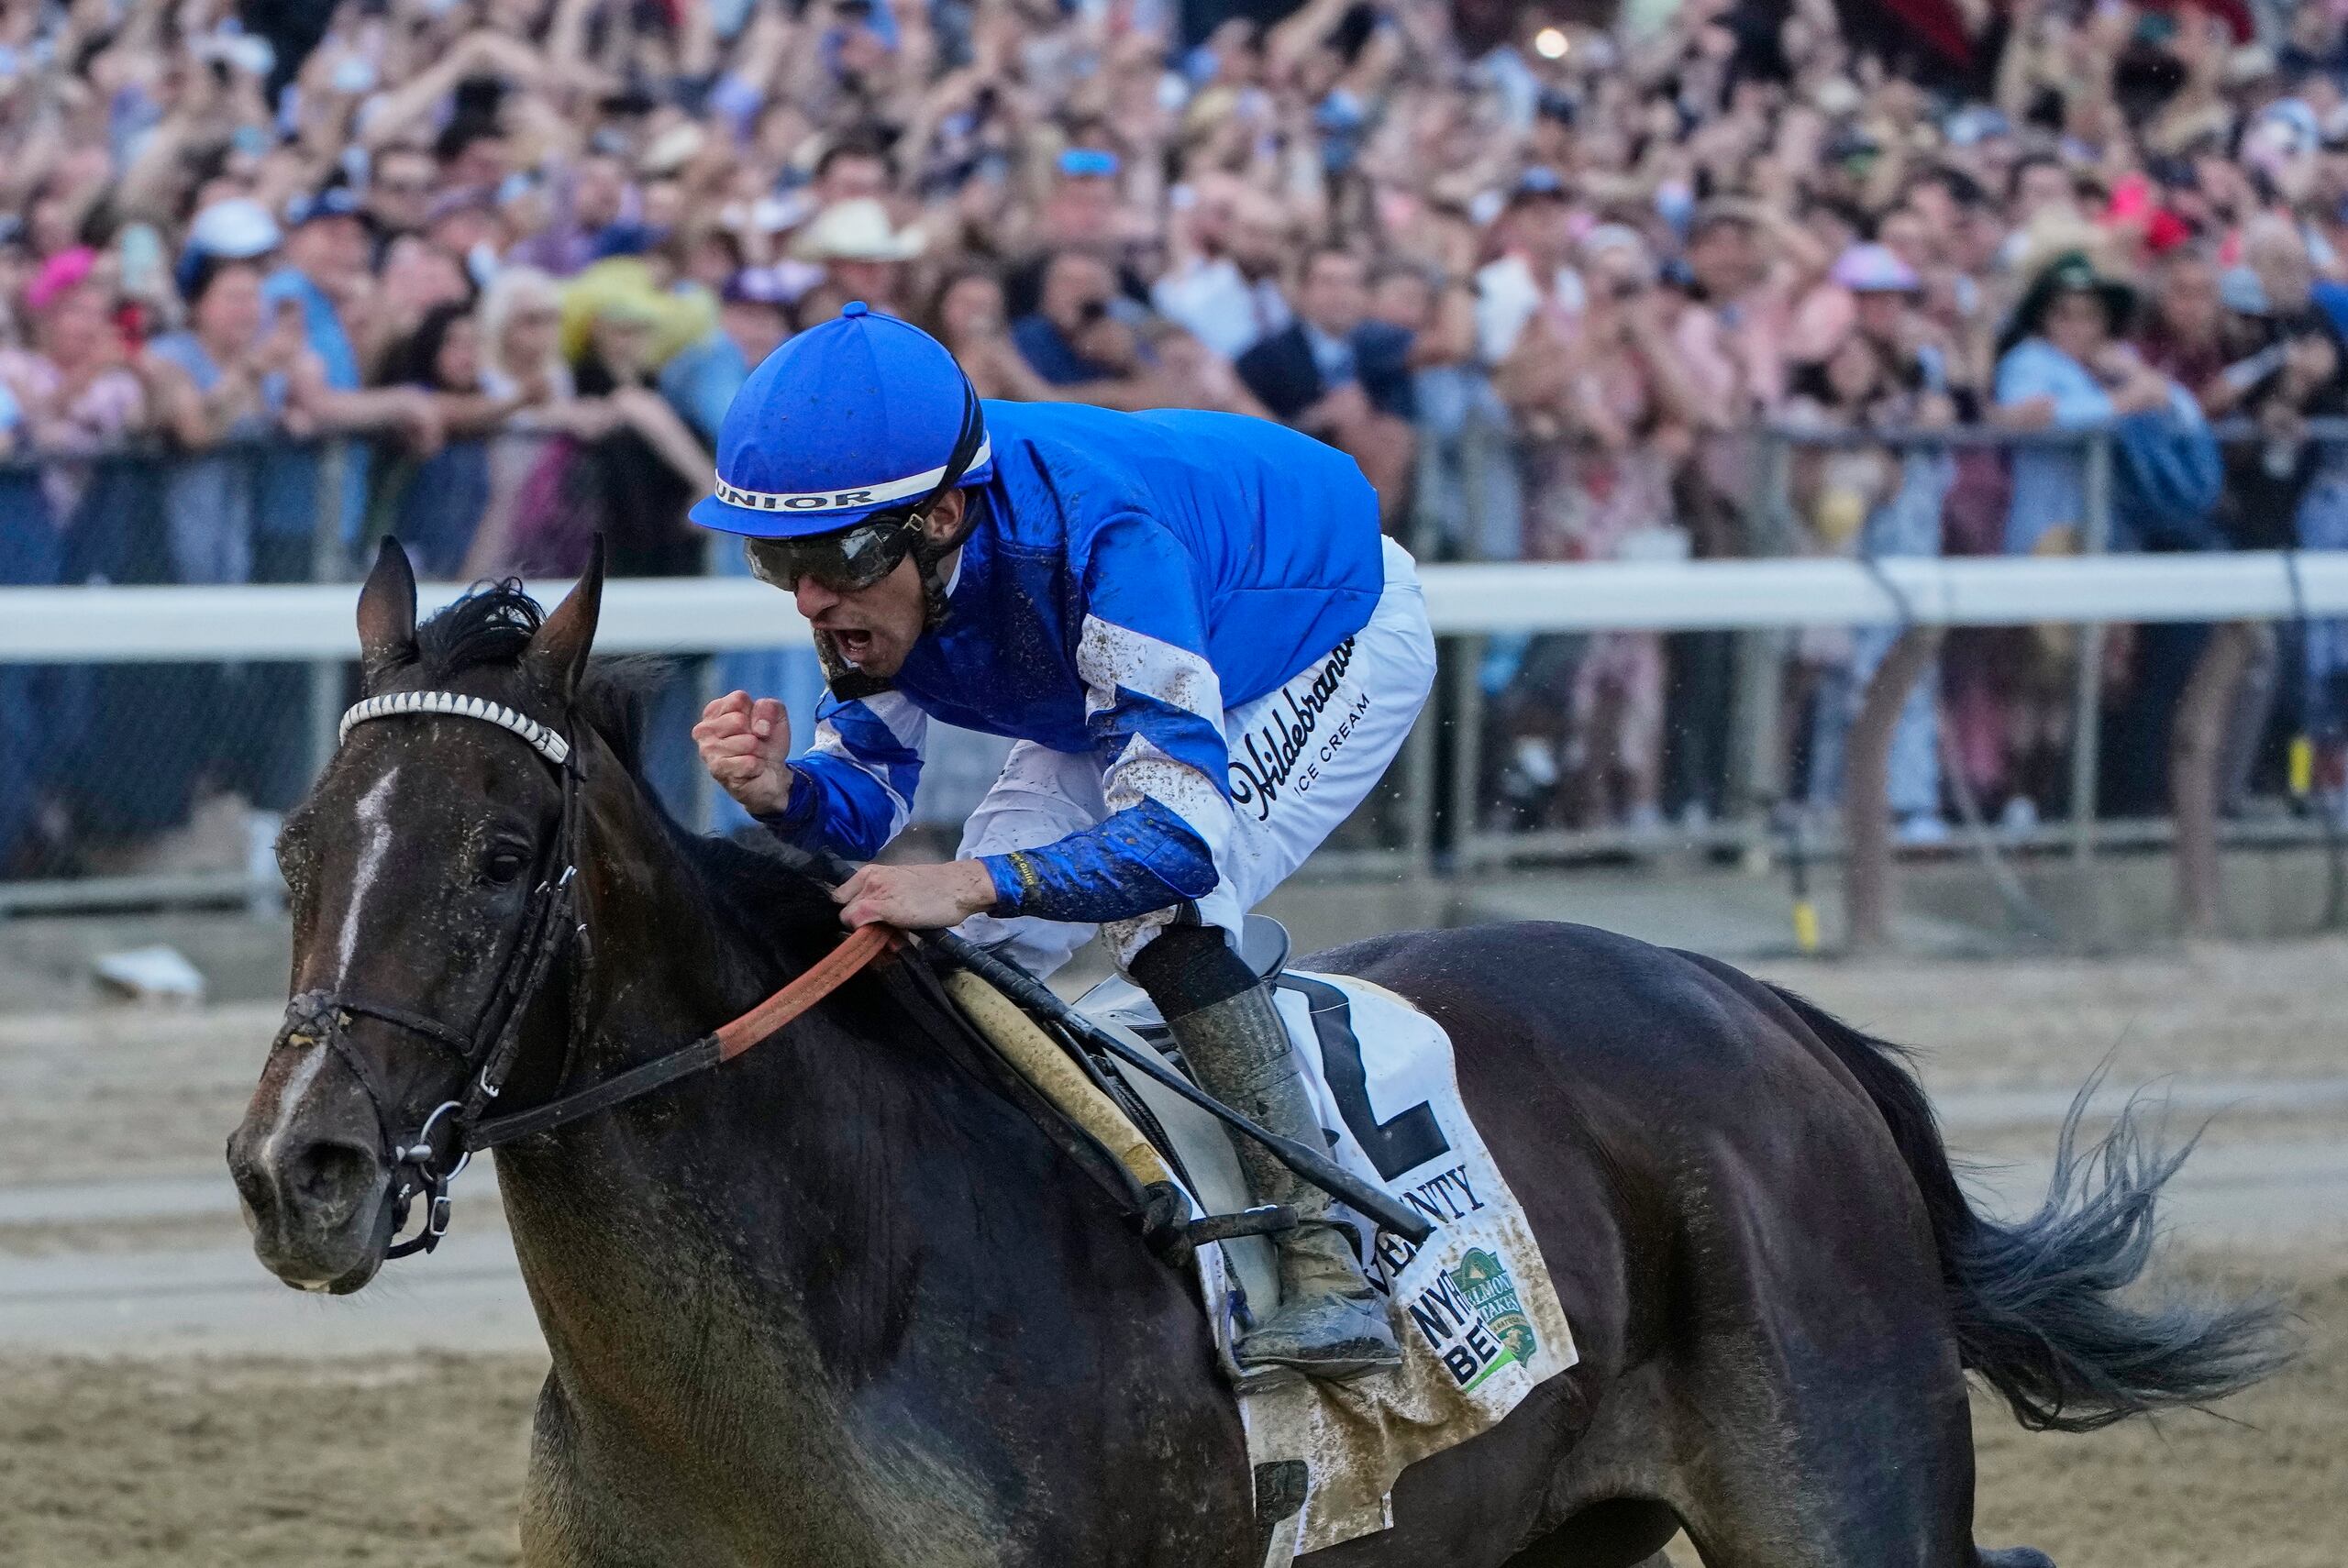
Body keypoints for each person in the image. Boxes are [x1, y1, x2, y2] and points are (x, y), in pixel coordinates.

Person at [689, 303, 1435, 1379]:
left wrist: (971, 878)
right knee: (965, 960)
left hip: (1322, 632)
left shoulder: (1105, 541)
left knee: (1162, 914)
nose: (810, 598)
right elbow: (867, 794)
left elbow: (1174, 843)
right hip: (1126, 671)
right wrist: (779, 792)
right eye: (777, 559)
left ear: (942, 517)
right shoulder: (881, 573)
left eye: (837, 556)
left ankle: (1324, 1261)